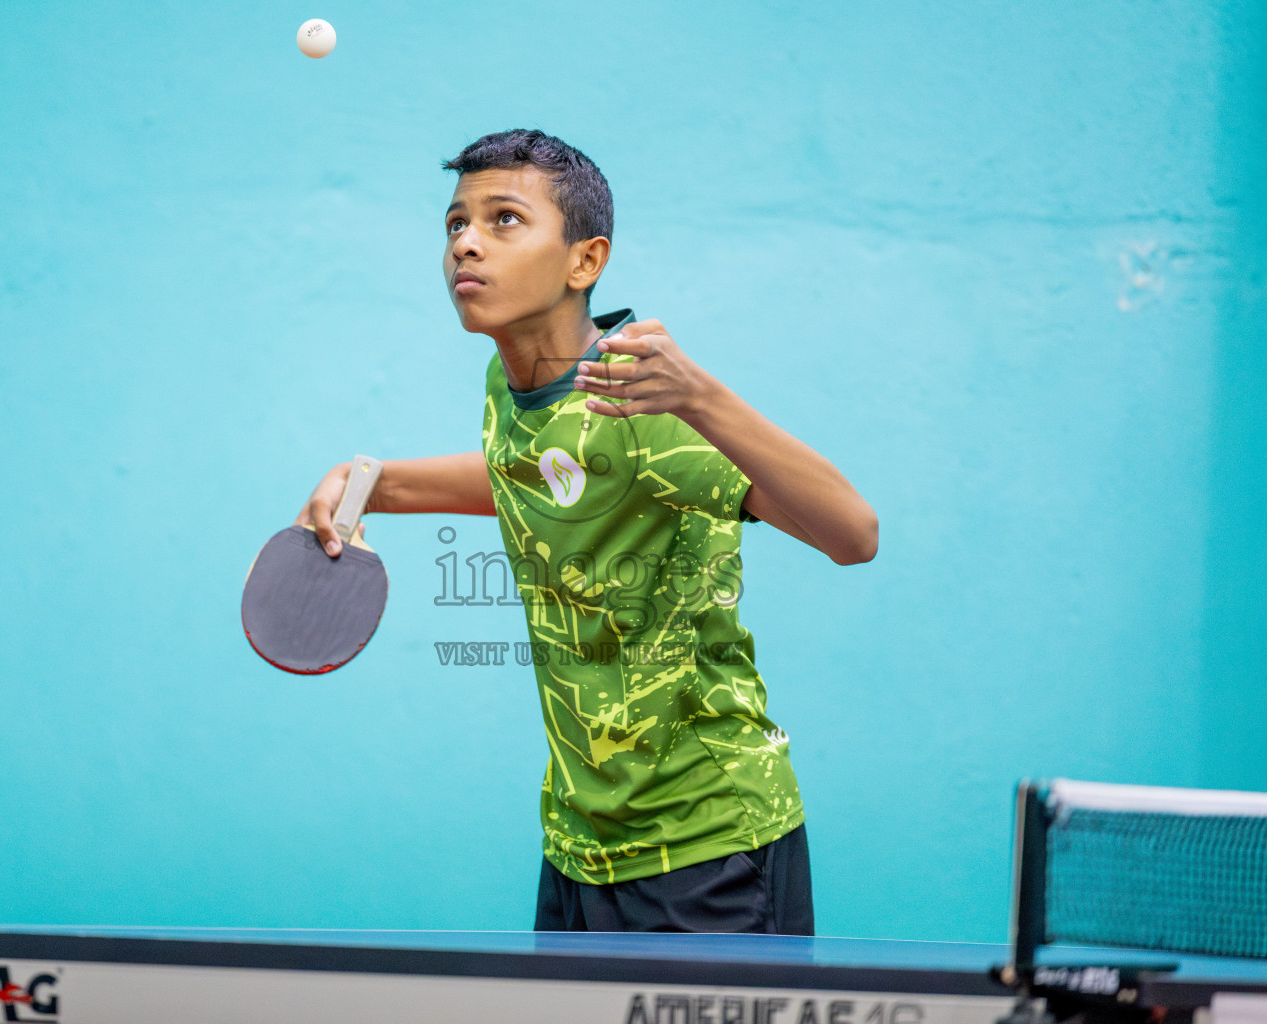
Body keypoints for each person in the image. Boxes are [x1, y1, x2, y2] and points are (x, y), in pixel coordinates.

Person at [295, 129, 878, 934]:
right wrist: (372, 483)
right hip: (579, 843)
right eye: (454, 223)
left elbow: (854, 532)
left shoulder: (644, 406)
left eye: (503, 219)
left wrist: (700, 399)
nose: (466, 241)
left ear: (585, 261)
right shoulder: (511, 382)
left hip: (708, 846)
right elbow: (543, 473)